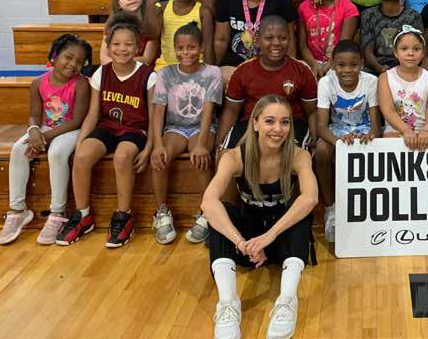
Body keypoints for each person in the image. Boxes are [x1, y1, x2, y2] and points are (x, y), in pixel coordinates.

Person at [203, 95, 317, 339]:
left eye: (285, 122)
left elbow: (310, 198)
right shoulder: (234, 157)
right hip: (248, 240)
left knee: (301, 212)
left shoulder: (299, 155)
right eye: (270, 121)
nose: (278, 129)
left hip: (280, 237)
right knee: (220, 213)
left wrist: (269, 236)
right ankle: (228, 304)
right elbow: (208, 202)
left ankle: (287, 301)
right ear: (255, 123)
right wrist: (240, 242)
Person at [57, 15, 156, 247]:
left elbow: (154, 119)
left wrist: (149, 148)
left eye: (128, 44)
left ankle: (124, 215)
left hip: (135, 130)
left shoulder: (149, 75)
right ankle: (83, 215)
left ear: (138, 47)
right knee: (82, 155)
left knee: (122, 156)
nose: (122, 49)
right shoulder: (101, 73)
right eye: (116, 44)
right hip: (108, 127)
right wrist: (81, 142)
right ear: (108, 48)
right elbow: (93, 114)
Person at [0, 34, 91, 245]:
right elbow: (34, 115)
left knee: (56, 153)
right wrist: (33, 131)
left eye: (79, 61)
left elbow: (77, 120)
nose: (73, 64)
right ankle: (17, 210)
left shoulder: (81, 84)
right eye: (68, 57)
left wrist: (44, 138)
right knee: (18, 149)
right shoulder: (38, 83)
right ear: (54, 56)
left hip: (70, 130)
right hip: (45, 128)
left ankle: (58, 213)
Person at [150, 23, 223, 245]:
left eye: (191, 48)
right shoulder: (165, 73)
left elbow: (209, 109)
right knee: (160, 158)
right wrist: (157, 145)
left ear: (201, 48)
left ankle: (208, 212)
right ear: (174, 49)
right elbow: (158, 111)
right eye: (180, 48)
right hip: (175, 127)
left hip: (202, 126)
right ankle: (161, 212)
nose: (185, 53)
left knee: (199, 157)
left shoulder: (212, 72)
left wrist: (201, 144)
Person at [216, 16, 318, 153]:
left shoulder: (302, 71)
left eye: (283, 38)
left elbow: (312, 111)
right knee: (225, 156)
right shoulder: (242, 71)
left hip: (290, 123)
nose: (276, 43)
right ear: (257, 41)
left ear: (290, 40)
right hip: (251, 123)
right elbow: (231, 111)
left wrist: (315, 141)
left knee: (297, 157)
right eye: (269, 38)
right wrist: (219, 144)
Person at [315, 40, 381, 243]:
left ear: (362, 64)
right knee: (322, 150)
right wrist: (338, 141)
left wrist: (369, 136)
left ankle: (371, 210)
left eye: (353, 65)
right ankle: (331, 208)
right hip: (338, 130)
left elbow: (376, 125)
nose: (347, 70)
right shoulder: (326, 82)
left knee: (375, 148)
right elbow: (321, 127)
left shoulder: (370, 81)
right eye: (341, 65)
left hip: (364, 129)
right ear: (333, 64)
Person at [214, 0, 298, 85]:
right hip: (236, 64)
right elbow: (221, 39)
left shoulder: (281, 0)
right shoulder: (226, 0)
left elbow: (289, 39)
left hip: (272, 63)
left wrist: (290, 68)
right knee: (222, 76)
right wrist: (215, 66)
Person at [378, 26, 428, 151]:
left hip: (424, 132)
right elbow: (388, 110)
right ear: (395, 53)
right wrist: (406, 130)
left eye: (416, 49)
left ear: (423, 53)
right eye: (404, 48)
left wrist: (426, 130)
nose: (410, 53)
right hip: (394, 131)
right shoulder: (385, 78)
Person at [297, 0, 359, 78]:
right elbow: (302, 46)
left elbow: (343, 45)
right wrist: (313, 64)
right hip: (311, 62)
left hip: (337, 62)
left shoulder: (348, 8)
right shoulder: (304, 7)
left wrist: (326, 67)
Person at [144, 0, 208, 70]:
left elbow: (208, 46)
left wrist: (209, 72)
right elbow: (151, 35)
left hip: (195, 68)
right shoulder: (162, 7)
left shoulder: (203, 11)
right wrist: (150, 4)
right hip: (166, 67)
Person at [360, 0, 424, 74]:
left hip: (406, 65)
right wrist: (379, 68)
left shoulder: (412, 15)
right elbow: (367, 51)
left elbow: (417, 48)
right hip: (376, 66)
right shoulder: (368, 15)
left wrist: (401, 69)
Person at [99, 0, 157, 66]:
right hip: (116, 67)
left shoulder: (151, 22)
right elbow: (103, 57)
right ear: (118, 4)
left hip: (142, 69)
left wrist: (122, 62)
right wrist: (119, 64)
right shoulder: (111, 24)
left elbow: (147, 59)